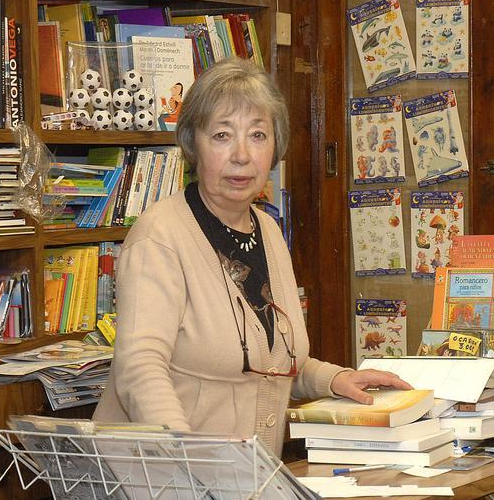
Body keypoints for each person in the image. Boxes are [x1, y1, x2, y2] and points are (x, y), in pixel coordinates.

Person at [94, 59, 410, 454]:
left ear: (276, 146)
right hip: (160, 487)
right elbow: (139, 370)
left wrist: (333, 379)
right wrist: (184, 456)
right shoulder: (160, 237)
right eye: (223, 135)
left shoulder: (269, 231)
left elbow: (268, 361)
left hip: (246, 484)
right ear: (194, 143)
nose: (242, 155)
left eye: (258, 135)